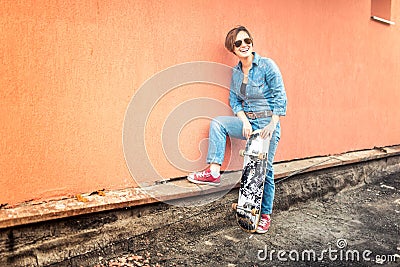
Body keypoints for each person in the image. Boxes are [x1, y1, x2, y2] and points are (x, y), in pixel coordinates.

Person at [187, 26, 287, 234]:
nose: (244, 45)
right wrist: (243, 121)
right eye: (238, 43)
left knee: (264, 170)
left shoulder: (267, 66)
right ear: (232, 49)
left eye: (247, 40)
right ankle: (213, 172)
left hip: (267, 125)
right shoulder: (236, 72)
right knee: (218, 123)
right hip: (248, 124)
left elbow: (280, 96)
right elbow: (235, 100)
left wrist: (272, 124)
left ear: (252, 42)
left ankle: (265, 215)